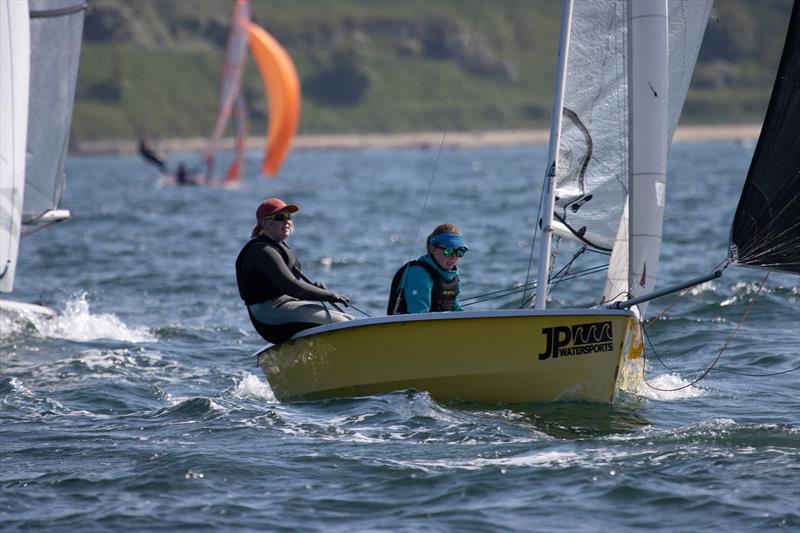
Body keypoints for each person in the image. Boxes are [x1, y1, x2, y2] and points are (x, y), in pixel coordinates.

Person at [235, 197, 353, 344]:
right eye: (280, 217)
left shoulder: (277, 247)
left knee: (350, 320)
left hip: (285, 307)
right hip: (268, 315)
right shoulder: (262, 250)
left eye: (289, 217)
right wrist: (330, 295)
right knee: (342, 323)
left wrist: (314, 290)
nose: (287, 221)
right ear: (264, 223)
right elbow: (292, 287)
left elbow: (291, 287)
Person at [387, 224, 467, 314]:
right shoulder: (418, 273)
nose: (454, 257)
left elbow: (455, 311)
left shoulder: (454, 275)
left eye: (459, 252)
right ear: (432, 248)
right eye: (448, 251)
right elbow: (419, 314)